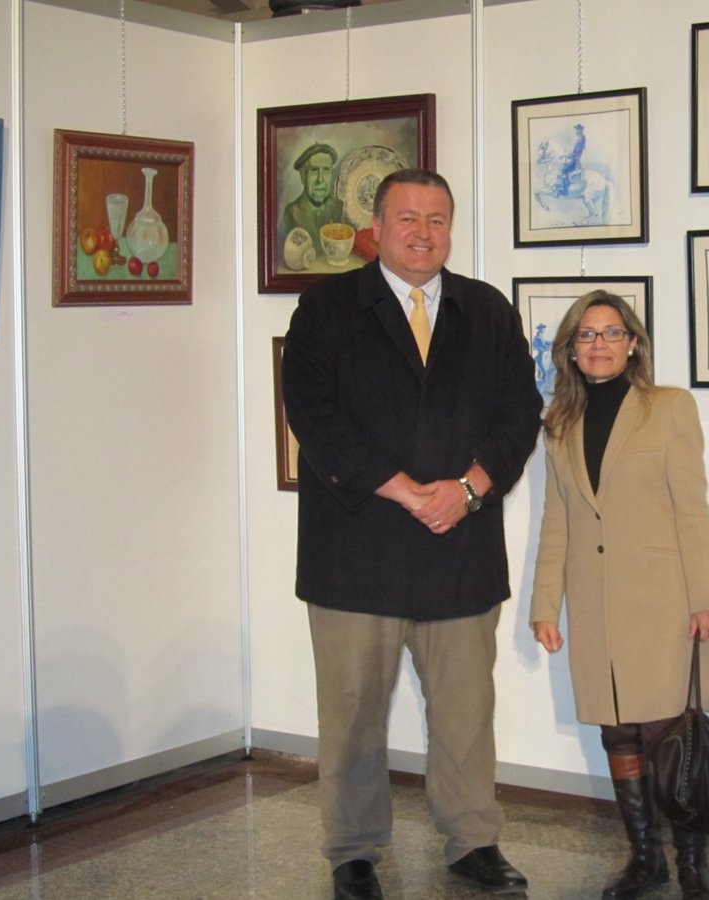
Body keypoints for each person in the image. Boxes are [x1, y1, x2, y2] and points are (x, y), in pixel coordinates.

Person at [282, 168, 543, 900]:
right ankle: (353, 851)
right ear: (376, 227)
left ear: (450, 229)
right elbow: (314, 414)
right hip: (355, 551)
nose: (423, 233)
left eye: (436, 219)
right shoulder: (327, 308)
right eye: (407, 218)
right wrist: (404, 489)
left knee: (466, 715)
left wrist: (468, 490)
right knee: (353, 718)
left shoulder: (486, 310)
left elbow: (519, 415)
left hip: (460, 548)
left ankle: (474, 842)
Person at [529, 291, 709, 900]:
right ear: (570, 349)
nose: (600, 344)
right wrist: (544, 605)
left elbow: (692, 508)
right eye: (587, 335)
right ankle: (646, 860)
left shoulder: (668, 408)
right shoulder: (558, 423)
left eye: (612, 332)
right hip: (594, 604)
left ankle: (691, 863)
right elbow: (558, 520)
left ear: (633, 343)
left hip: (663, 601)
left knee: (674, 735)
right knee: (617, 733)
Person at [280, 141, 346, 260]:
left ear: (331, 175)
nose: (320, 179)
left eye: (326, 170)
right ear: (302, 176)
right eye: (314, 170)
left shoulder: (341, 208)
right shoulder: (292, 212)